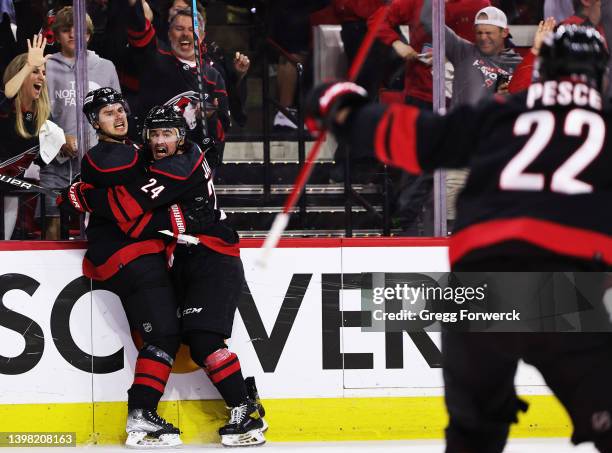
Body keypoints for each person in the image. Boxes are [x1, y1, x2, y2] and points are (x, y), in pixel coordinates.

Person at [306, 25, 612, 452]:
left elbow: (419, 137)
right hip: (563, 288)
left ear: (545, 68)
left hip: (481, 286)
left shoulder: (503, 111)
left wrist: (345, 111)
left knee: (474, 435)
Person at [60, 104, 267, 447]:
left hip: (212, 257)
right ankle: (227, 406)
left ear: (181, 138)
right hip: (186, 257)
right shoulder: (169, 159)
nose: (159, 141)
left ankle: (245, 411)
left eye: (167, 134)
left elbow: (123, 207)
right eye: (154, 134)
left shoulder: (177, 167)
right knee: (175, 338)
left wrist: (79, 194)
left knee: (202, 342)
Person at [42, 6, 121, 239]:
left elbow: (117, 115)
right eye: (67, 30)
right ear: (57, 35)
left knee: (97, 222)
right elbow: (37, 114)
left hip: (97, 160)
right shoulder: (46, 66)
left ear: (88, 35)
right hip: (56, 159)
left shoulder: (106, 67)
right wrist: (59, 138)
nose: (74, 36)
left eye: (81, 32)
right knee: (52, 224)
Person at [126, 2, 230, 167]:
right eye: (179, 29)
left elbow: (222, 131)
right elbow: (140, 33)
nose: (186, 34)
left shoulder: (212, 76)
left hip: (194, 167)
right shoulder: (155, 58)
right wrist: (134, 6)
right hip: (151, 161)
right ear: (169, 33)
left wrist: (210, 117)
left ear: (202, 36)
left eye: (191, 30)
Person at [1, 34, 64, 240]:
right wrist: (28, 65)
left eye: (43, 73)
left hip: (10, 195)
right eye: (35, 72)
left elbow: (41, 162)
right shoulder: (6, 108)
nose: (41, 77)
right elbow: (8, 92)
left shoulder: (44, 119)